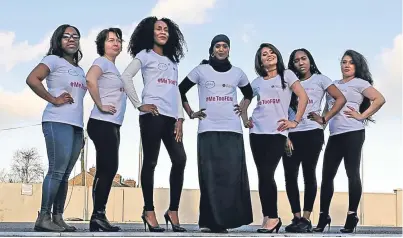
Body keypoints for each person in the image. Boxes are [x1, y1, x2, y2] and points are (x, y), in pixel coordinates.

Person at [179, 34, 254, 233]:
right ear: (212, 49)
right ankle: (209, 221)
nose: (221, 49)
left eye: (225, 46)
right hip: (207, 130)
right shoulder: (201, 70)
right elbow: (180, 90)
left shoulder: (238, 73)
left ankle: (225, 222)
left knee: (230, 177)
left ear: (229, 50)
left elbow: (248, 93)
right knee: (209, 177)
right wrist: (191, 113)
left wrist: (243, 108)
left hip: (232, 130)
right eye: (218, 46)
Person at [120, 16, 187, 232]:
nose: (163, 32)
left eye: (166, 29)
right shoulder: (144, 55)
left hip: (170, 118)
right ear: (151, 33)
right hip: (152, 116)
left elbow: (176, 91)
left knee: (180, 159)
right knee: (150, 162)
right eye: (158, 29)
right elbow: (126, 76)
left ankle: (173, 210)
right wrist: (139, 105)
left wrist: (180, 118)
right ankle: (149, 210)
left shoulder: (172, 62)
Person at [313, 50, 386, 233]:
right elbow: (326, 110)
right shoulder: (334, 84)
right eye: (344, 62)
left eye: (351, 62)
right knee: (327, 176)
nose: (346, 65)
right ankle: (323, 216)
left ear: (356, 66)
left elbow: (379, 99)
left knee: (352, 173)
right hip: (334, 135)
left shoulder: (360, 83)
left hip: (353, 133)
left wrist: (361, 116)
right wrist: (321, 129)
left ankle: (352, 215)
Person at [240, 43, 308, 233]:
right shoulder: (257, 82)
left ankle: (274, 217)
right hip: (257, 132)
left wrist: (295, 121)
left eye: (271, 52)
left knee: (268, 173)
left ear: (277, 55)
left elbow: (303, 97)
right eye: (264, 54)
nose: (268, 55)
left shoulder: (287, 75)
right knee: (263, 175)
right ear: (260, 61)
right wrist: (246, 121)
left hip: (277, 132)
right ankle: (269, 216)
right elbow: (244, 103)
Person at [26, 24, 86, 232]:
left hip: (76, 126)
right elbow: (32, 79)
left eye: (75, 36)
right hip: (56, 121)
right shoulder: (52, 60)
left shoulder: (80, 70)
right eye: (66, 36)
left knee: (66, 173)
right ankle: (43, 217)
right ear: (58, 40)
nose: (71, 39)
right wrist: (53, 99)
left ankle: (58, 217)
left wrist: (82, 129)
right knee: (57, 170)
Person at [282, 48, 346, 233]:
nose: (300, 62)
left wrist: (324, 118)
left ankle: (306, 218)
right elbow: (282, 109)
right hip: (291, 133)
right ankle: (295, 217)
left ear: (310, 61)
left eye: (304, 59)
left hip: (312, 133)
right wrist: (285, 135)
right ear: (292, 65)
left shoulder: (320, 79)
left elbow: (340, 98)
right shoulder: (288, 83)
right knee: (289, 175)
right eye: (296, 60)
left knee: (308, 174)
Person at [85, 28, 126, 232]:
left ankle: (97, 217)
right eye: (111, 40)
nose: (116, 43)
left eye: (118, 40)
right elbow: (90, 79)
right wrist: (100, 104)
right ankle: (98, 215)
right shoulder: (101, 62)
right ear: (103, 44)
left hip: (111, 124)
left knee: (106, 169)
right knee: (108, 168)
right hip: (102, 122)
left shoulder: (113, 67)